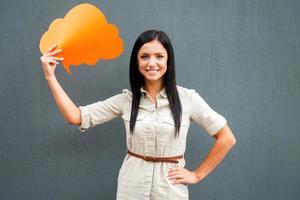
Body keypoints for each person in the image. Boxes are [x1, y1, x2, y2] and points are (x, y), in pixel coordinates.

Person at [40, 30, 236, 200]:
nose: (152, 63)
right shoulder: (126, 100)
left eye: (159, 56)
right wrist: (50, 76)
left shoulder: (188, 99)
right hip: (131, 188)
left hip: (170, 191)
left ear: (168, 59)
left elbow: (226, 138)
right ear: (137, 61)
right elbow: (75, 117)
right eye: (144, 56)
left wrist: (196, 175)